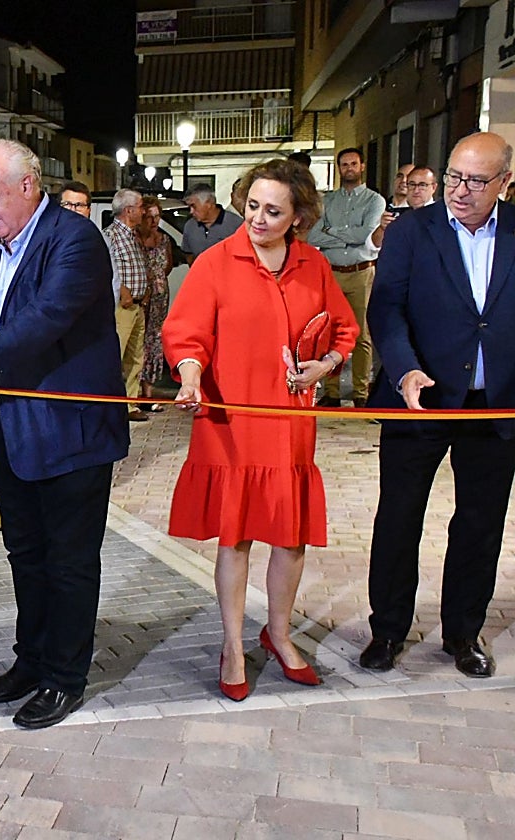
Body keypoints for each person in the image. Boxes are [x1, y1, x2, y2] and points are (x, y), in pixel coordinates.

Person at [0, 139, 129, 729]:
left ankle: (65, 677)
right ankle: (31, 660)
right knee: (26, 554)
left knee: (69, 561)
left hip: (72, 432)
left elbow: (45, 320)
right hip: (12, 426)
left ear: (27, 187)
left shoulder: (75, 239)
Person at [163, 158, 358, 701]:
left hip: (290, 423)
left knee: (290, 536)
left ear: (298, 217)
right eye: (252, 206)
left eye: (274, 211)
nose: (258, 218)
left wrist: (328, 364)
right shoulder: (214, 263)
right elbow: (185, 334)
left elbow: (343, 328)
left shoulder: (314, 265)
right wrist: (190, 374)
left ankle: (278, 633)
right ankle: (231, 644)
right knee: (236, 535)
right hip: (230, 420)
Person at [361, 132, 515, 678]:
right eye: (454, 176)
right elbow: (387, 311)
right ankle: (388, 630)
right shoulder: (410, 234)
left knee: (480, 522)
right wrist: (404, 368)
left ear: (505, 183)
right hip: (418, 401)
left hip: (495, 408)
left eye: (476, 181)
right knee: (399, 518)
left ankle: (463, 633)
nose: (460, 190)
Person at [306, 147, 386, 407]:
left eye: (353, 164)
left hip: (361, 272)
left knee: (362, 335)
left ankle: (360, 393)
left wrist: (333, 229)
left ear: (362, 167)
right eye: (344, 164)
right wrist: (348, 232)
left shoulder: (374, 201)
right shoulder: (327, 201)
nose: (348, 168)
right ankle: (331, 392)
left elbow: (363, 236)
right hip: (331, 273)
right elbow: (314, 236)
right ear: (338, 168)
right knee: (327, 333)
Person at [104, 189, 150, 422]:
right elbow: (108, 269)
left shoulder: (133, 235)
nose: (144, 211)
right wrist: (123, 291)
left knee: (136, 358)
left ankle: (130, 404)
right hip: (122, 308)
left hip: (138, 306)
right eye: (140, 207)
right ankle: (111, 404)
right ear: (129, 210)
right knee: (115, 356)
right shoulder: (111, 235)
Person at [135, 194, 172, 410]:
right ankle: (134, 392)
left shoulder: (164, 239)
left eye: (157, 216)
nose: (154, 221)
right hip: (141, 297)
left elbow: (167, 265)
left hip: (160, 298)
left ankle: (149, 392)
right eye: (149, 216)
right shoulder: (136, 239)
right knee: (139, 342)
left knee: (155, 340)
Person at [372, 165, 438, 249]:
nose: (416, 190)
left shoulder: (441, 215)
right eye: (412, 184)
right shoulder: (395, 212)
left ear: (433, 187)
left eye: (422, 185)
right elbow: (373, 246)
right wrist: (382, 228)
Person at [182, 183, 242, 263]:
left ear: (209, 203)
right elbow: (189, 255)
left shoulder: (237, 225)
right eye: (189, 207)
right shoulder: (190, 226)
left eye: (194, 206)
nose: (191, 211)